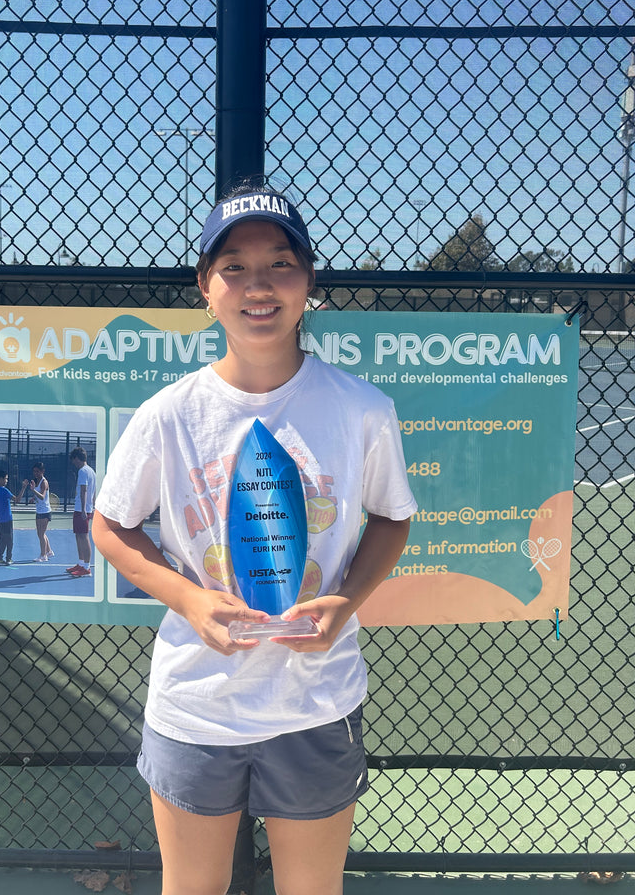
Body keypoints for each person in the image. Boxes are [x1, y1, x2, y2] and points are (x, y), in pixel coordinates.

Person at [93, 184, 417, 895]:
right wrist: (191, 601)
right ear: (205, 289)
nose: (258, 284)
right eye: (233, 266)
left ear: (308, 283)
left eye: (280, 262)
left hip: (316, 702)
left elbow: (393, 517)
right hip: (196, 703)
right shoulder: (168, 415)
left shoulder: (362, 409)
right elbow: (110, 527)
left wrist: (345, 601)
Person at [67, 447, 96, 577]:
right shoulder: (91, 471)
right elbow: (93, 492)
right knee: (79, 536)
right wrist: (92, 507)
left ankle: (87, 567)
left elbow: (84, 490)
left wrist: (84, 509)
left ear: (77, 458)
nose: (74, 463)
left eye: (74, 460)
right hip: (82, 508)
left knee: (83, 537)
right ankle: (80, 563)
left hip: (81, 509)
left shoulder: (83, 471)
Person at [0, 470, 28, 565]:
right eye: (5, 478)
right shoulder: (4, 490)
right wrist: (23, 488)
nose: (7, 480)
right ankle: (8, 559)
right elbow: (18, 500)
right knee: (9, 540)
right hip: (7, 519)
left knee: (3, 539)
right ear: (0, 479)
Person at [26, 461, 55, 562]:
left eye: (38, 471)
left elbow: (42, 497)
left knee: (41, 534)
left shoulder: (44, 482)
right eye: (34, 471)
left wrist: (33, 490)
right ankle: (49, 551)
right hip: (39, 511)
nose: (35, 473)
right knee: (41, 533)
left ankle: (43, 555)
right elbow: (38, 496)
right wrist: (33, 498)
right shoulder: (36, 481)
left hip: (45, 511)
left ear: (42, 471)